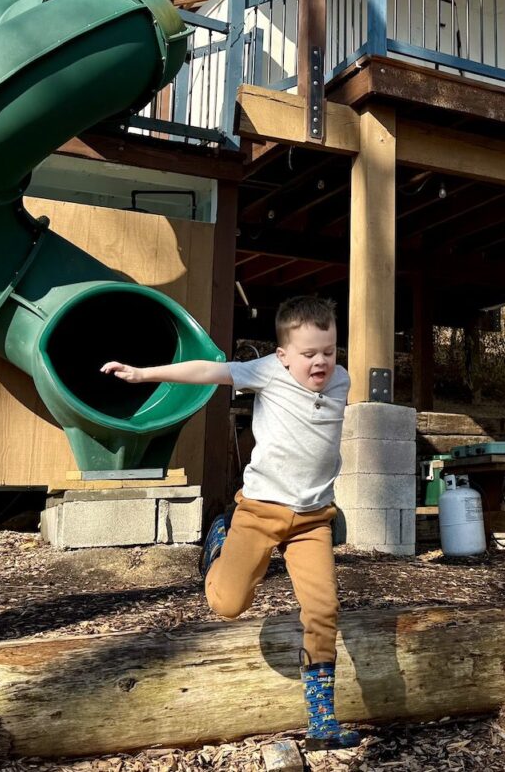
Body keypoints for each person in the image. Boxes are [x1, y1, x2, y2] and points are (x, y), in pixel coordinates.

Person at [100, 295, 360, 750]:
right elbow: (207, 371)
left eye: (329, 350)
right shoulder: (266, 372)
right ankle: (219, 543)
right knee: (227, 604)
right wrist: (144, 373)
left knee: (323, 611)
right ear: (283, 355)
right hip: (259, 512)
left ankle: (322, 721)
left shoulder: (341, 381)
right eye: (308, 354)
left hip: (313, 521)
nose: (320, 362)